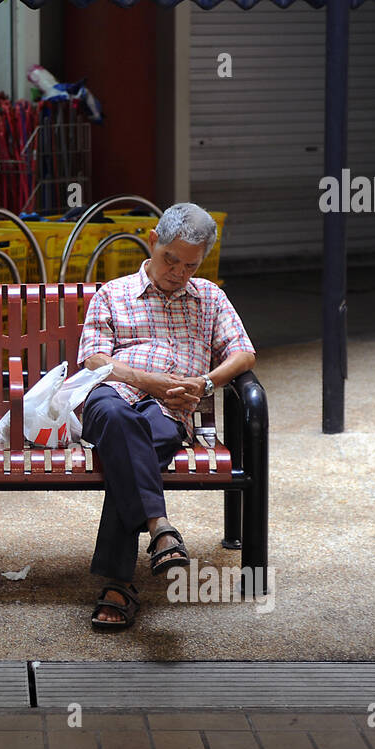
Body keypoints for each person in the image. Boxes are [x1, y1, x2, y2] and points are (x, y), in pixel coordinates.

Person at [77, 203, 256, 631]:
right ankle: (159, 527)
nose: (177, 272)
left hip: (169, 410)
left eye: (189, 265)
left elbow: (244, 352)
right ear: (153, 242)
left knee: (134, 442)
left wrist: (206, 383)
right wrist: (148, 380)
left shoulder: (210, 298)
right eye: (169, 260)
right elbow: (95, 359)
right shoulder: (113, 293)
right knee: (121, 423)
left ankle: (121, 582)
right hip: (112, 397)